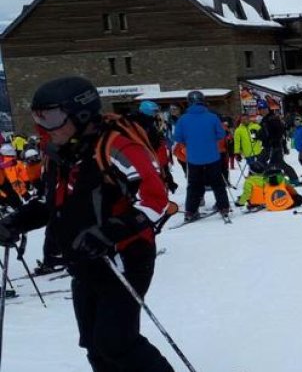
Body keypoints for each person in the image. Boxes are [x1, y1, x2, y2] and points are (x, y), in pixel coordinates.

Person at [0, 76, 174, 371]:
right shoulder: (59, 152)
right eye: (38, 117)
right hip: (83, 260)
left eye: (52, 117)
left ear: (80, 113)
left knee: (117, 342)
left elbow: (156, 201)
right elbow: (53, 201)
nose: (44, 126)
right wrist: (17, 221)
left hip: (124, 257)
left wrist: (108, 232)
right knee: (93, 343)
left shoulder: (117, 145)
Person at [173, 90, 231, 222]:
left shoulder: (183, 119)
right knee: (217, 183)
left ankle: (191, 211)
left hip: (193, 158)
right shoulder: (212, 117)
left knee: (194, 185)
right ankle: (223, 207)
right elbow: (220, 135)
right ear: (203, 101)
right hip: (212, 156)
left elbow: (178, 138)